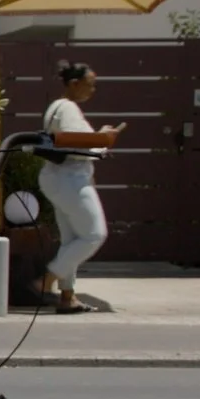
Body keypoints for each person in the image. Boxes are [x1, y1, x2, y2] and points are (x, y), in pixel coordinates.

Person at [39, 61, 123, 313]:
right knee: (94, 234)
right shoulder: (68, 109)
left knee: (71, 239)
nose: (92, 90)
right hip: (70, 179)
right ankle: (47, 280)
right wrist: (104, 139)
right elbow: (79, 144)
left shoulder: (58, 107)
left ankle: (67, 296)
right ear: (74, 84)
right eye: (89, 85)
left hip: (57, 178)